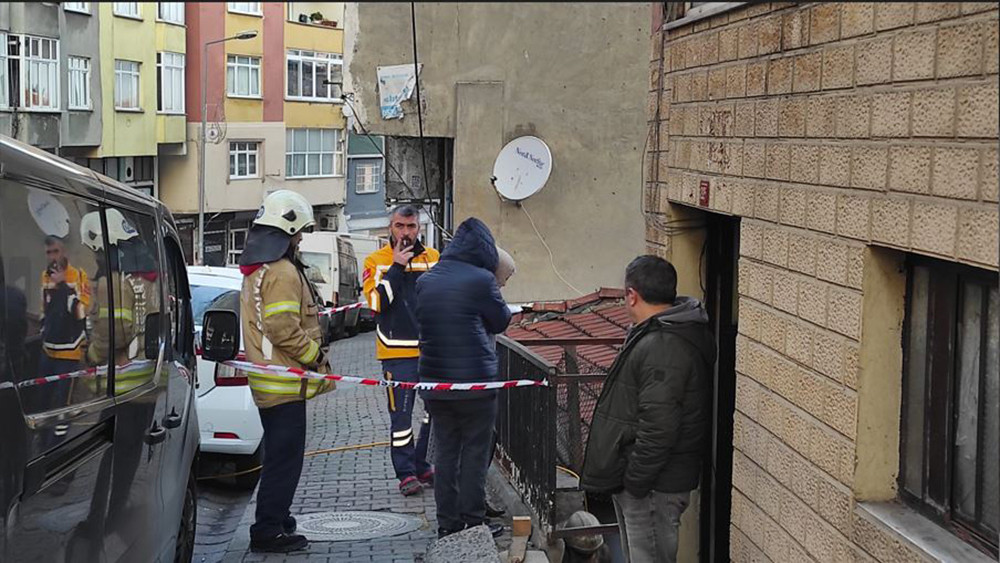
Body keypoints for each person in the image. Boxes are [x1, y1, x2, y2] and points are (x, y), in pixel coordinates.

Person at [580, 255, 716, 563]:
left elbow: (660, 426)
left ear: (632, 294)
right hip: (648, 483)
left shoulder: (664, 344)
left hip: (653, 487)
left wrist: (636, 482)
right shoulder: (662, 333)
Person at [238, 190, 336, 553]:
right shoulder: (280, 272)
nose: (299, 240)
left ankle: (278, 517)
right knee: (285, 461)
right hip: (284, 381)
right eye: (298, 233)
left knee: (280, 457)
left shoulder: (261, 269)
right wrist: (314, 357)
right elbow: (282, 327)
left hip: (271, 381)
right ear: (286, 229)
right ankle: (268, 531)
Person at [415, 217, 512, 538]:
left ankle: (447, 523)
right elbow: (500, 321)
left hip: (434, 384)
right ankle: (473, 519)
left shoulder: (426, 281)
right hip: (475, 386)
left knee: (445, 452)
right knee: (473, 453)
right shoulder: (482, 280)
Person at [362, 205, 440, 496]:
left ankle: (422, 463)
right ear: (390, 228)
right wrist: (396, 267)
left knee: (434, 412)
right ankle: (405, 473)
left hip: (431, 350)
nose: (406, 233)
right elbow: (376, 304)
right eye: (399, 226)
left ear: (418, 227)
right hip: (396, 352)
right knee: (401, 418)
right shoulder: (376, 261)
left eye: (411, 226)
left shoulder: (433, 258)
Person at [38, 235, 91, 378]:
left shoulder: (78, 275)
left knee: (64, 398)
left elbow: (81, 312)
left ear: (64, 252)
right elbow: (44, 309)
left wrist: (63, 285)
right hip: (48, 349)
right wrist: (43, 330)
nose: (52, 257)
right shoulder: (45, 276)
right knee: (43, 396)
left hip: (69, 352)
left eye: (56, 251)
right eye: (48, 253)